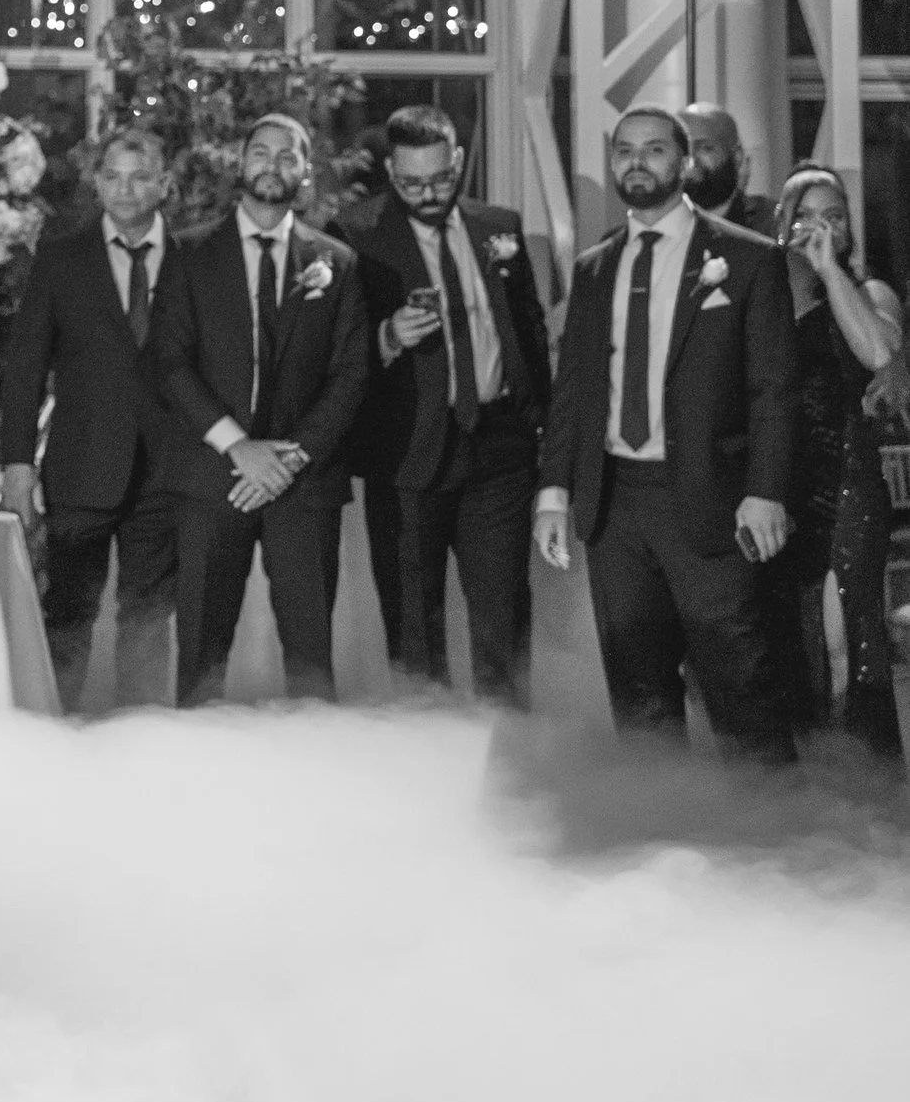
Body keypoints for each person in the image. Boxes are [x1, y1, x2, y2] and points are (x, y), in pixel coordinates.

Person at [535, 105, 796, 761]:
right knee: (639, 689)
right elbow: (574, 392)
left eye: (654, 150)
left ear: (684, 164)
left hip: (712, 499)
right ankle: (663, 831)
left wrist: (766, 490)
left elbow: (774, 391)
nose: (636, 162)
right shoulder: (595, 268)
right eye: (624, 150)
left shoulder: (748, 259)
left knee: (739, 679)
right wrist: (552, 494)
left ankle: (774, 834)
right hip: (614, 504)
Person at [151, 111, 370, 705]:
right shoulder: (189, 252)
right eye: (260, 152)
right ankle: (194, 781)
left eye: (287, 155)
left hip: (305, 484)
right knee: (200, 655)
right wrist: (239, 448)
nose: (272, 165)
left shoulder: (337, 261)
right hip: (211, 478)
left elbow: (351, 373)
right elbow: (170, 361)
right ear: (240, 164)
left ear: (306, 171)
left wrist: (288, 459)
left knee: (310, 659)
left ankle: (310, 782)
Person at [353, 103, 553, 708]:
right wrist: (387, 337)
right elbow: (332, 355)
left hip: (501, 447)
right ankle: (427, 762)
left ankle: (507, 758)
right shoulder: (355, 234)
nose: (428, 194)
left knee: (503, 620)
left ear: (459, 161)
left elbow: (529, 330)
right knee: (414, 627)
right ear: (391, 170)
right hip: (409, 452)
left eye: (441, 180)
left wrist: (542, 428)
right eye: (411, 183)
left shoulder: (500, 224)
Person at [0, 124, 181, 710]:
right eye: (114, 178)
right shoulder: (61, 258)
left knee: (150, 622)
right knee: (69, 616)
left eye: (140, 177)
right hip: (81, 469)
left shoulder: (193, 257)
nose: (125, 191)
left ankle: (140, 749)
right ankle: (54, 743)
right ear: (97, 184)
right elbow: (25, 368)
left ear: (164, 185)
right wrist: (18, 467)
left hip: (167, 474)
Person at [766, 163, 904, 770]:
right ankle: (802, 778)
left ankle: (875, 778)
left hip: (849, 481)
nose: (822, 226)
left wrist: (827, 270)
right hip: (775, 487)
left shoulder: (868, 292)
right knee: (788, 637)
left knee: (855, 633)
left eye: (835, 215)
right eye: (808, 214)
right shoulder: (761, 293)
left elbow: (877, 349)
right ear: (782, 224)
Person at [677, 105, 776, 237]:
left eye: (705, 148)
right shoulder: (650, 222)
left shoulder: (772, 221)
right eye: (682, 149)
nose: (691, 160)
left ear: (737, 156)